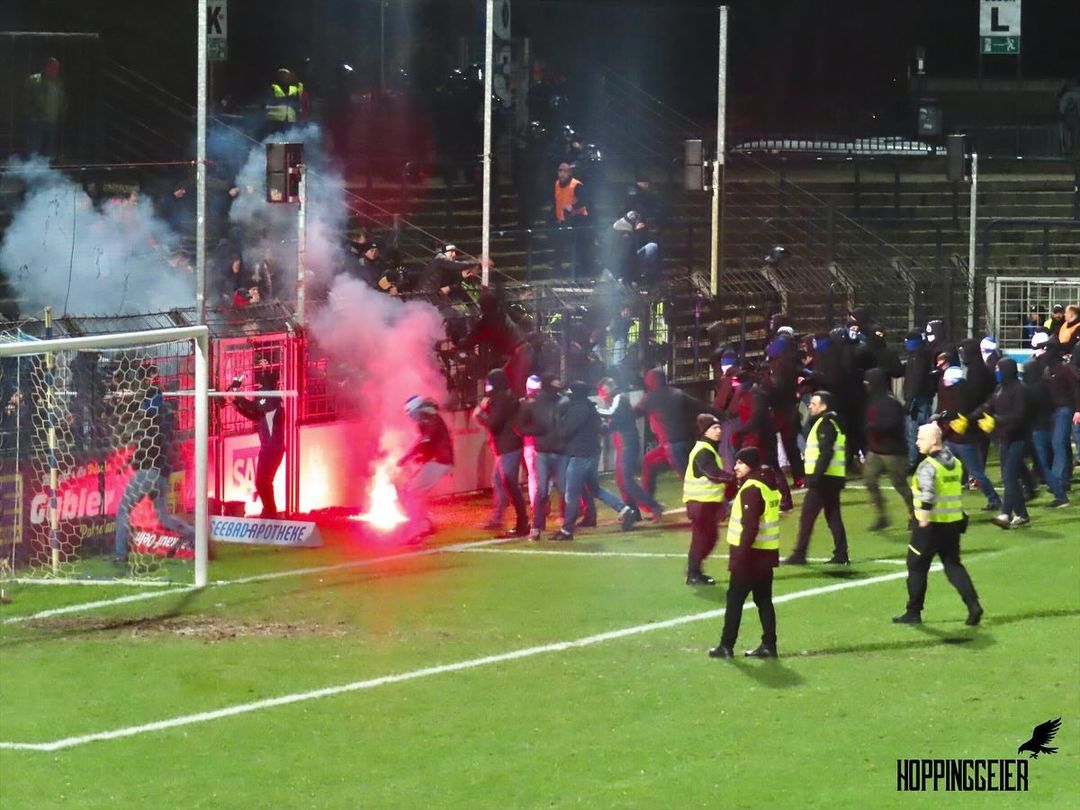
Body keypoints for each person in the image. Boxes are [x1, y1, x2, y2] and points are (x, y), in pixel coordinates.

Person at [892, 423, 983, 627]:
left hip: (930, 526)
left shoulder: (928, 466)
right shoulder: (955, 463)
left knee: (916, 566)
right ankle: (973, 605)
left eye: (921, 438)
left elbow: (928, 494)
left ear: (933, 441)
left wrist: (923, 519)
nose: (917, 442)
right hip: (952, 524)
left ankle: (913, 611)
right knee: (953, 565)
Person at [113, 367, 194, 565]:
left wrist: (132, 461)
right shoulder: (166, 418)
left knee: (123, 510)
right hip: (162, 475)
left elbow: (146, 446)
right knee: (164, 518)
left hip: (148, 473)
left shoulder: (152, 420)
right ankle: (194, 535)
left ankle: (121, 553)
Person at [709, 446, 781, 658]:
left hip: (750, 557)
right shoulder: (768, 484)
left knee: (734, 601)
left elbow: (750, 528)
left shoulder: (752, 488)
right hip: (766, 556)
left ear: (750, 464)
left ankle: (726, 645)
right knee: (764, 601)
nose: (735, 467)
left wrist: (739, 559)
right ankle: (769, 645)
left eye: (740, 463)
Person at [552, 381, 637, 541]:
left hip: (580, 456)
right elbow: (602, 428)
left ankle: (566, 530)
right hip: (591, 454)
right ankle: (625, 510)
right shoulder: (590, 407)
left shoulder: (577, 410)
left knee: (572, 494)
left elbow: (564, 432)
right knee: (595, 489)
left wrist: (558, 416)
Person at [784, 391, 849, 565]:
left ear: (823, 406)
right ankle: (841, 553)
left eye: (814, 403)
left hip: (823, 479)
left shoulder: (825, 424)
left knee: (807, 516)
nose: (810, 406)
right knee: (833, 516)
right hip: (833, 477)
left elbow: (826, 453)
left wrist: (815, 476)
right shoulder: (834, 423)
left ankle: (800, 554)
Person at [596, 377, 664, 522]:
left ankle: (654, 506)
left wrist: (595, 411)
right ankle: (634, 512)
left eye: (604, 390)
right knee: (622, 481)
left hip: (628, 444)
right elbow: (612, 425)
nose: (603, 394)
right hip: (624, 445)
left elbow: (612, 414)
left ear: (610, 387)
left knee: (627, 481)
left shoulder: (619, 399)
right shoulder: (617, 403)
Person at [635, 368, 707, 499]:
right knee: (649, 461)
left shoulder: (652, 397)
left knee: (688, 477)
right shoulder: (678, 393)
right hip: (687, 440)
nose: (646, 381)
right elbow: (701, 407)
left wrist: (616, 414)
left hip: (673, 444)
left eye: (649, 378)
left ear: (655, 380)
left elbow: (635, 413)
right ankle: (649, 501)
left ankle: (705, 502)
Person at [474, 369, 529, 537]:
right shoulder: (504, 396)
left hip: (508, 447)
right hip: (506, 446)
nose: (487, 386)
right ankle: (499, 518)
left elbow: (494, 424)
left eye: (489, 382)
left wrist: (480, 414)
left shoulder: (502, 399)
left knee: (509, 484)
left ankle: (521, 523)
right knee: (500, 482)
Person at [513, 373, 567, 540]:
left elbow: (519, 426)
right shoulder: (537, 403)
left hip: (544, 448)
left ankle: (546, 522)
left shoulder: (534, 403)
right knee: (544, 487)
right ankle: (539, 523)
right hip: (541, 449)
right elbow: (519, 426)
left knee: (544, 485)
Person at [229, 360, 286, 519]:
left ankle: (270, 512)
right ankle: (270, 512)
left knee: (262, 482)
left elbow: (251, 407)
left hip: (272, 449)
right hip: (271, 449)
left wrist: (236, 388)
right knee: (264, 482)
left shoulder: (269, 397)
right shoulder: (271, 400)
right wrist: (238, 408)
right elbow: (256, 416)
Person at [683, 414, 735, 585]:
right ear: (704, 431)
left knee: (709, 538)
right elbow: (713, 473)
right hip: (700, 503)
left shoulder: (708, 448)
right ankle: (693, 573)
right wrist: (734, 478)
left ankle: (694, 569)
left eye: (719, 427)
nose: (719, 431)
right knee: (702, 538)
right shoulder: (703, 450)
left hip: (706, 502)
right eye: (714, 428)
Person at [863, 368, 915, 531]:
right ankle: (882, 516)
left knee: (900, 485)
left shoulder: (892, 403)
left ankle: (915, 515)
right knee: (869, 479)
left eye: (868, 383)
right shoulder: (872, 401)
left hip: (894, 452)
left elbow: (893, 424)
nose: (866, 386)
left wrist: (872, 427)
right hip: (876, 450)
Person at [398, 395, 455, 541]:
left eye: (409, 412)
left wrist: (409, 456)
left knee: (413, 491)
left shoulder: (431, 418)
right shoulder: (426, 418)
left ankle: (414, 530)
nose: (409, 416)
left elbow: (425, 440)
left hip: (439, 461)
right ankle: (424, 525)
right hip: (436, 461)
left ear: (416, 409)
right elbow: (426, 443)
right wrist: (416, 456)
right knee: (409, 489)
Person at [552, 162, 592, 278]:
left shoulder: (576, 185)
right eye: (560, 171)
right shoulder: (557, 184)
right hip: (563, 221)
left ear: (570, 173)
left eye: (565, 171)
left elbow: (585, 200)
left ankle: (584, 270)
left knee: (580, 247)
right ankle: (558, 269)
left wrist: (573, 207)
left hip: (578, 220)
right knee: (559, 246)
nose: (562, 174)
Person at [902, 330, 935, 466]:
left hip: (917, 399)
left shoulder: (917, 357)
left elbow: (915, 378)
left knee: (913, 430)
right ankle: (921, 457)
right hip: (921, 397)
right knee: (922, 429)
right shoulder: (923, 355)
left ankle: (913, 460)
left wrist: (910, 398)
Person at [25, 57, 64, 159]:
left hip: (52, 121)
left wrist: (61, 113)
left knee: (49, 150)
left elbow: (61, 100)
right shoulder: (34, 79)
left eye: (57, 68)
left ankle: (46, 168)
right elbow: (26, 99)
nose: (55, 70)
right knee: (34, 149)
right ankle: (31, 168)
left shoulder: (57, 82)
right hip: (37, 121)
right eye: (53, 67)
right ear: (46, 66)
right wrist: (35, 112)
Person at [265, 68, 307, 134]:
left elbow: (297, 101)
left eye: (288, 76)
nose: (287, 78)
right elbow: (269, 101)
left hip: (290, 119)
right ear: (279, 77)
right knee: (275, 138)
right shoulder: (273, 87)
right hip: (275, 120)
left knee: (289, 138)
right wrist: (287, 98)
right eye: (284, 76)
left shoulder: (294, 87)